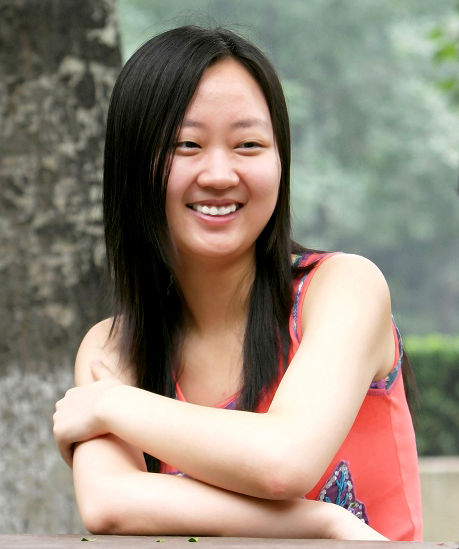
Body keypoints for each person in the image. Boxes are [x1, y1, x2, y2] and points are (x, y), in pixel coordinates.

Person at [53, 25, 422, 540]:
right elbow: (109, 503)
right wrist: (322, 522)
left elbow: (285, 460)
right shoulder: (115, 349)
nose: (220, 174)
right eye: (187, 145)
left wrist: (112, 405)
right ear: (133, 165)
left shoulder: (343, 289)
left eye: (248, 144)